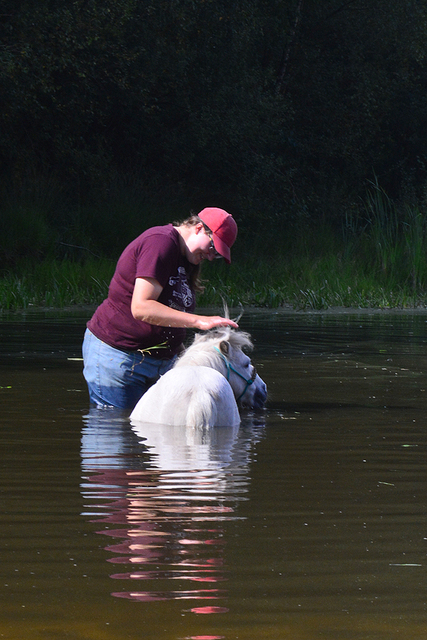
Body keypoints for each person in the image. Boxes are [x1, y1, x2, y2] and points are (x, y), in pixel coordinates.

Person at [82, 207, 239, 410]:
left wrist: (183, 356)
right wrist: (200, 321)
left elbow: (170, 319)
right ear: (200, 228)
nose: (210, 257)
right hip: (120, 356)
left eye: (216, 255)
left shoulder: (188, 258)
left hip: (160, 362)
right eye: (212, 248)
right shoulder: (160, 242)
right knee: (118, 430)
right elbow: (141, 307)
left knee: (155, 435)